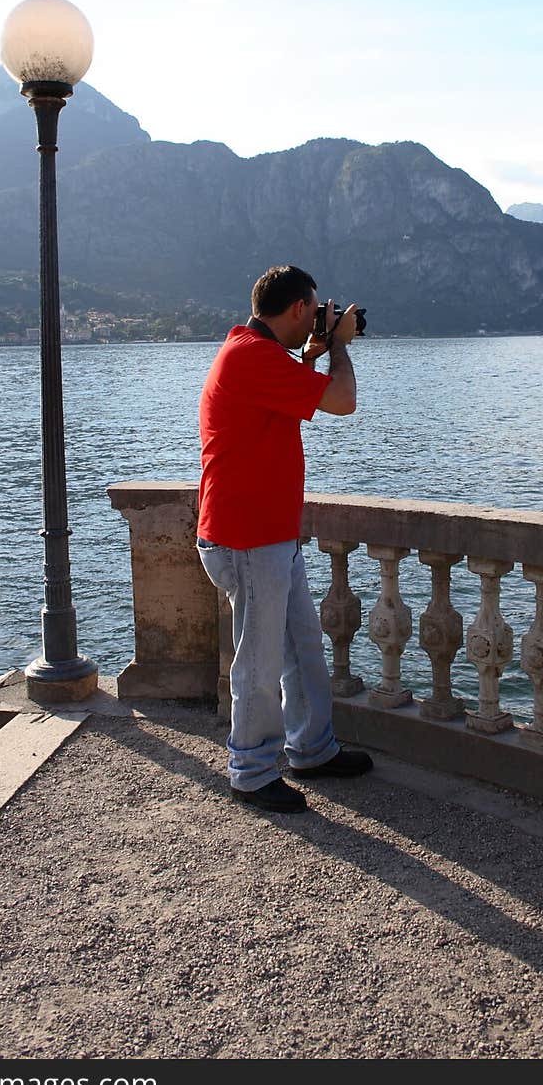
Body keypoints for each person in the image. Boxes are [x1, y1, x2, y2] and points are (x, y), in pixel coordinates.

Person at [196, 264, 373, 814]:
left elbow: (287, 401)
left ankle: (312, 749)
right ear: (298, 308)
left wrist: (313, 355)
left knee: (301, 647)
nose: (319, 319)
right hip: (248, 539)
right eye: (314, 310)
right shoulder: (251, 357)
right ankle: (249, 771)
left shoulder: (252, 351)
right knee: (259, 659)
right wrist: (340, 347)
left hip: (269, 534)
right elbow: (342, 401)